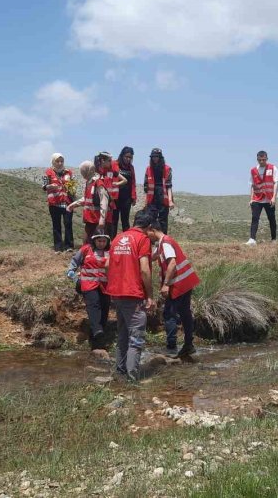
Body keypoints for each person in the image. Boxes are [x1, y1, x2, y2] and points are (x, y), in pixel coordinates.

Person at [105, 210, 156, 382]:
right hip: (133, 294)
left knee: (122, 334)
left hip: (116, 293)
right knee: (136, 338)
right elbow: (144, 269)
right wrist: (150, 295)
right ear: (149, 227)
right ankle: (132, 378)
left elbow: (106, 264)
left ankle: (120, 372)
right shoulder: (143, 239)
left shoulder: (118, 238)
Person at [146, 221, 200, 359]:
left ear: (152, 230)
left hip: (178, 283)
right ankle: (189, 345)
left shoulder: (165, 243)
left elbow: (172, 263)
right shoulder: (163, 242)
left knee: (169, 314)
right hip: (186, 282)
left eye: (147, 233)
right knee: (184, 312)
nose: (147, 236)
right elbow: (153, 256)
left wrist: (166, 284)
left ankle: (171, 348)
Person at [66, 233, 110, 349]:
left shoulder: (110, 252)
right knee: (94, 305)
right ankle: (97, 330)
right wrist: (71, 271)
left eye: (104, 241)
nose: (101, 243)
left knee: (104, 308)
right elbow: (75, 261)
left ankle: (97, 339)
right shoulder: (86, 249)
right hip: (88, 284)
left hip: (105, 286)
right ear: (94, 241)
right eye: (99, 241)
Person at [66, 161, 112, 245]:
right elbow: (87, 198)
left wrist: (102, 219)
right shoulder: (89, 182)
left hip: (98, 219)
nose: (82, 172)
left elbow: (104, 201)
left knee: (99, 243)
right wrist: (73, 205)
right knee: (87, 241)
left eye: (83, 170)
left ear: (90, 170)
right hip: (90, 218)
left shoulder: (98, 183)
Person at [41, 153, 75, 253]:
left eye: (61, 161)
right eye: (57, 161)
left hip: (67, 202)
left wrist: (71, 188)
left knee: (68, 223)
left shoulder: (69, 172)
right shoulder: (48, 172)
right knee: (56, 225)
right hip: (54, 203)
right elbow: (44, 186)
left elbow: (73, 185)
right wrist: (50, 186)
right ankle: (58, 247)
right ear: (53, 161)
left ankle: (69, 246)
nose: (60, 163)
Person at [245, 150, 278, 246]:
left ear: (266, 159)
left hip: (269, 198)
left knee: (271, 219)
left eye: (263, 160)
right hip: (257, 198)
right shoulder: (253, 171)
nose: (261, 162)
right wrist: (251, 199)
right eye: (260, 160)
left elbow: (276, 183)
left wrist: (274, 198)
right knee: (255, 218)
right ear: (257, 159)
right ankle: (252, 239)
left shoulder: (273, 168)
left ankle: (273, 239)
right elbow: (252, 185)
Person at [95, 151, 126, 239]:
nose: (111, 162)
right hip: (98, 201)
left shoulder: (112, 170)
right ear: (102, 160)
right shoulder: (96, 171)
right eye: (109, 160)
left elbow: (124, 180)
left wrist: (116, 184)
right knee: (98, 224)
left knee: (109, 224)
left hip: (109, 201)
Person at [144, 148, 174, 233]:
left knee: (163, 220)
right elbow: (146, 187)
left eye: (157, 156)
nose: (155, 158)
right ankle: (152, 240)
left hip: (163, 196)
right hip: (152, 197)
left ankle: (162, 240)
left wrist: (170, 200)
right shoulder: (148, 169)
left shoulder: (167, 169)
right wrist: (146, 201)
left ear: (160, 157)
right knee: (151, 218)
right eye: (153, 157)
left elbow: (169, 186)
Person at [113, 146, 137, 234]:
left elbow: (133, 182)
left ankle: (127, 241)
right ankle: (112, 241)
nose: (128, 159)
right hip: (115, 197)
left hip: (127, 198)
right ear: (122, 155)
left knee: (125, 220)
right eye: (126, 156)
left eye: (130, 157)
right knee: (113, 220)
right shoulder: (115, 164)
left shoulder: (131, 167)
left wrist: (134, 197)